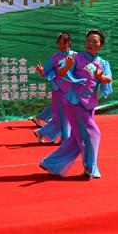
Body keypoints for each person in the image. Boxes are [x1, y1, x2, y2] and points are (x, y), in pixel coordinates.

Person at [39, 29, 112, 179]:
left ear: (100, 45)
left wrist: (101, 77)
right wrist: (67, 66)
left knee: (76, 139)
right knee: (94, 133)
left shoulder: (103, 63)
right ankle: (91, 168)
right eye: (88, 40)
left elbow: (108, 79)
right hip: (74, 101)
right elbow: (62, 73)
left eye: (94, 41)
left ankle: (51, 163)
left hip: (90, 104)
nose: (90, 43)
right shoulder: (76, 58)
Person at [33, 32, 75, 144]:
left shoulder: (76, 56)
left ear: (69, 43)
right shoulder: (56, 57)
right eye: (59, 44)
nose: (61, 46)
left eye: (63, 43)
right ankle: (65, 139)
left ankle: (43, 132)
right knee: (64, 115)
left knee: (65, 116)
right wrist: (41, 71)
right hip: (59, 90)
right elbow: (46, 71)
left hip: (72, 91)